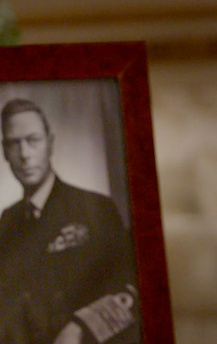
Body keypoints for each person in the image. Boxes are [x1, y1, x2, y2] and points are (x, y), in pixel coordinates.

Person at [0, 98, 139, 344]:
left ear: (50, 144)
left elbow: (130, 285)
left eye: (33, 140)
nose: (24, 154)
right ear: (5, 152)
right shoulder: (6, 222)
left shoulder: (95, 208)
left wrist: (80, 328)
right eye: (14, 144)